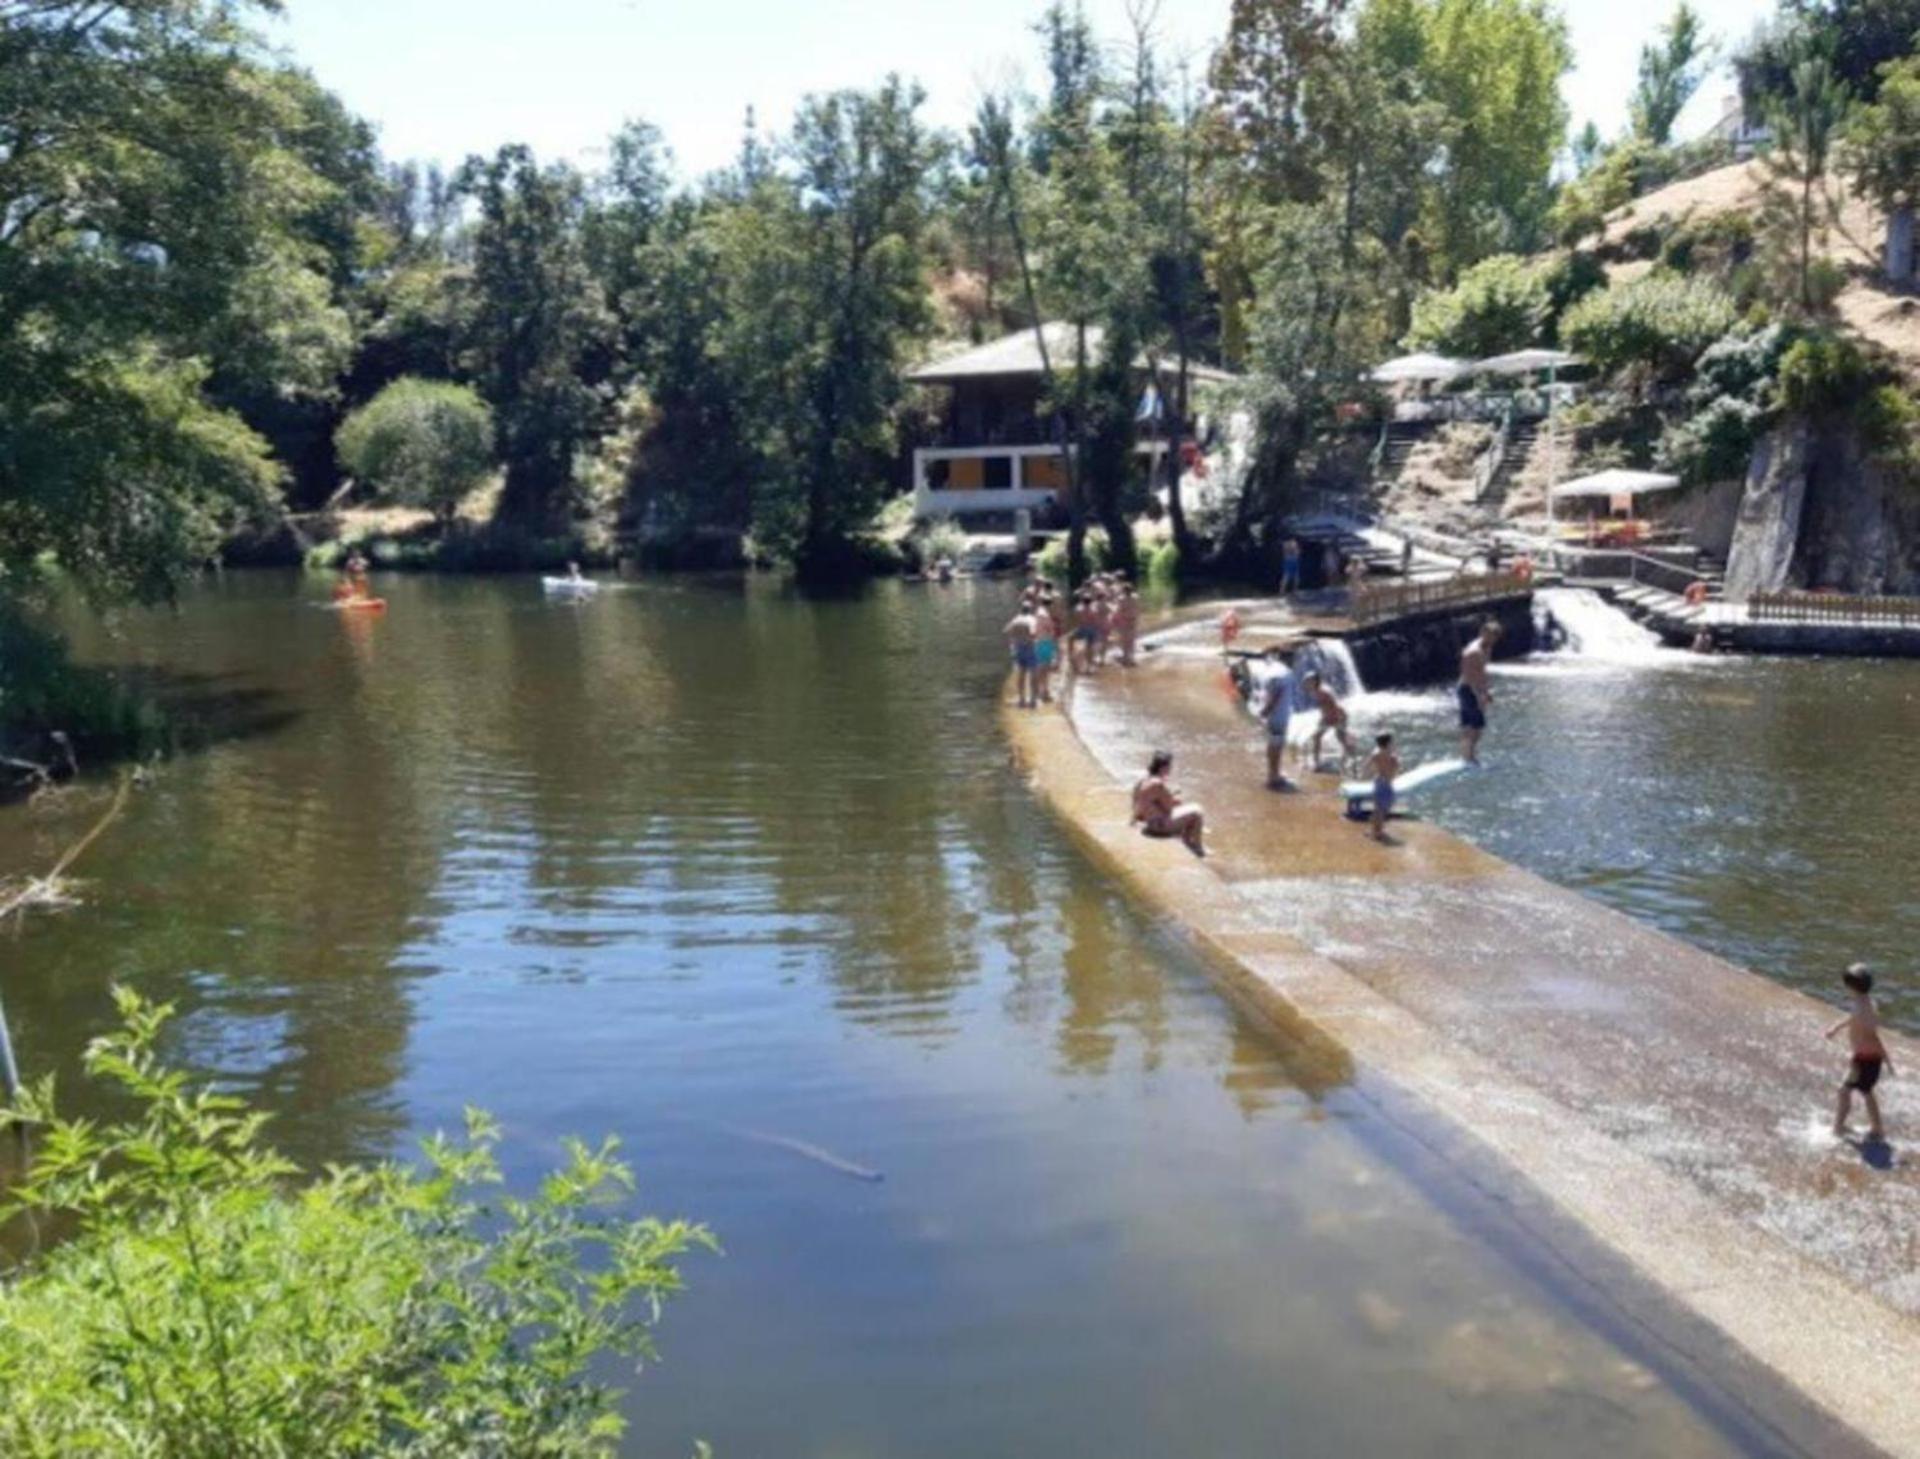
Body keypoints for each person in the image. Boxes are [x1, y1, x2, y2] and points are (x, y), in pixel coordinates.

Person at [1827, 964, 1893, 1141]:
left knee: (1844, 1091)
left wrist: (1887, 1059)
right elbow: (1854, 1018)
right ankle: (1877, 1128)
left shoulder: (1861, 1008)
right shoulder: (1867, 1003)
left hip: (1864, 1059)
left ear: (1851, 987)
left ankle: (1838, 1128)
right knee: (1866, 1091)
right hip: (1869, 1058)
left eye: (1846, 985)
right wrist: (1836, 1028)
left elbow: (1872, 1036)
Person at [1132, 749, 1206, 856]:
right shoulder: (1157, 784)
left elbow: (1140, 802)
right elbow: (1169, 808)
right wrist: (1174, 798)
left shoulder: (1144, 780)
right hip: (1159, 826)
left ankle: (1187, 842)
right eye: (1169, 767)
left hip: (1150, 823)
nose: (1170, 769)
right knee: (1197, 811)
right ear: (1164, 768)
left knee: (1185, 810)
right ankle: (1198, 848)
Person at [1457, 620, 1501, 764]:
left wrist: (1486, 692)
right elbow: (1469, 676)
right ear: (1482, 633)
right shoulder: (1473, 652)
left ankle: (1468, 755)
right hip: (1468, 689)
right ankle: (1469, 757)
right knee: (1475, 726)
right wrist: (1479, 695)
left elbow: (1481, 672)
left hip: (1475, 689)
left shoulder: (1487, 648)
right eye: (1489, 635)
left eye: (1494, 637)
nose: (1491, 639)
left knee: (1473, 725)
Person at [1258, 648, 1296, 790]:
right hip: (1279, 716)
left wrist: (1264, 712)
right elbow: (1276, 695)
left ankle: (1273, 773)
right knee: (1277, 747)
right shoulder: (1284, 673)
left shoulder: (1274, 671)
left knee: (1273, 745)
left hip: (1275, 715)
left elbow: (1269, 693)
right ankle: (1274, 776)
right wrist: (1266, 711)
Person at [1303, 671, 1355, 771]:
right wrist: (1323, 718)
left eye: (1309, 681)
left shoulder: (1323, 691)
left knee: (1340, 737)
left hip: (1338, 716)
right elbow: (1324, 706)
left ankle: (1349, 758)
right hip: (1328, 718)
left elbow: (1334, 705)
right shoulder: (1314, 691)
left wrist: (1338, 721)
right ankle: (1317, 762)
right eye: (1306, 681)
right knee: (1317, 737)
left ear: (1315, 681)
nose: (1307, 683)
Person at [1362, 732, 1400, 843]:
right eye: (1392, 742)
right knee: (1382, 808)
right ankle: (1376, 831)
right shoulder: (1391, 755)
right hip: (1386, 783)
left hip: (1379, 781)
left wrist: (1365, 776)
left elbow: (1366, 766)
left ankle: (1375, 830)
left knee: (1378, 808)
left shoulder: (1376, 753)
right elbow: (1396, 768)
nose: (1393, 744)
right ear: (1388, 743)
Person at [1004, 597, 1039, 709]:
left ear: (1021, 609)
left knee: (1021, 674)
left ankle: (1022, 699)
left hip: (1018, 648)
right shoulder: (1031, 619)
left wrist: (1013, 642)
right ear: (1030, 609)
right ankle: (1033, 699)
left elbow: (1006, 631)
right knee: (1033, 673)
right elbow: (1033, 633)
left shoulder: (1016, 620)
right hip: (1030, 648)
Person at [1033, 593, 1060, 703]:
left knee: (1040, 666)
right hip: (1046, 642)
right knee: (1045, 668)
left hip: (1039, 641)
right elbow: (1051, 630)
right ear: (1050, 604)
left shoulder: (1038, 612)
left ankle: (1041, 690)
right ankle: (1044, 690)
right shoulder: (1045, 615)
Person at [1114, 583, 1141, 667]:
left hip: (1124, 620)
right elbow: (1139, 608)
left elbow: (1119, 610)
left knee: (1124, 640)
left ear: (1124, 591)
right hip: (1133, 620)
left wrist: (1116, 620)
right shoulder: (1136, 597)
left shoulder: (1121, 599)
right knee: (1132, 640)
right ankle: (1132, 658)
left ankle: (1126, 657)